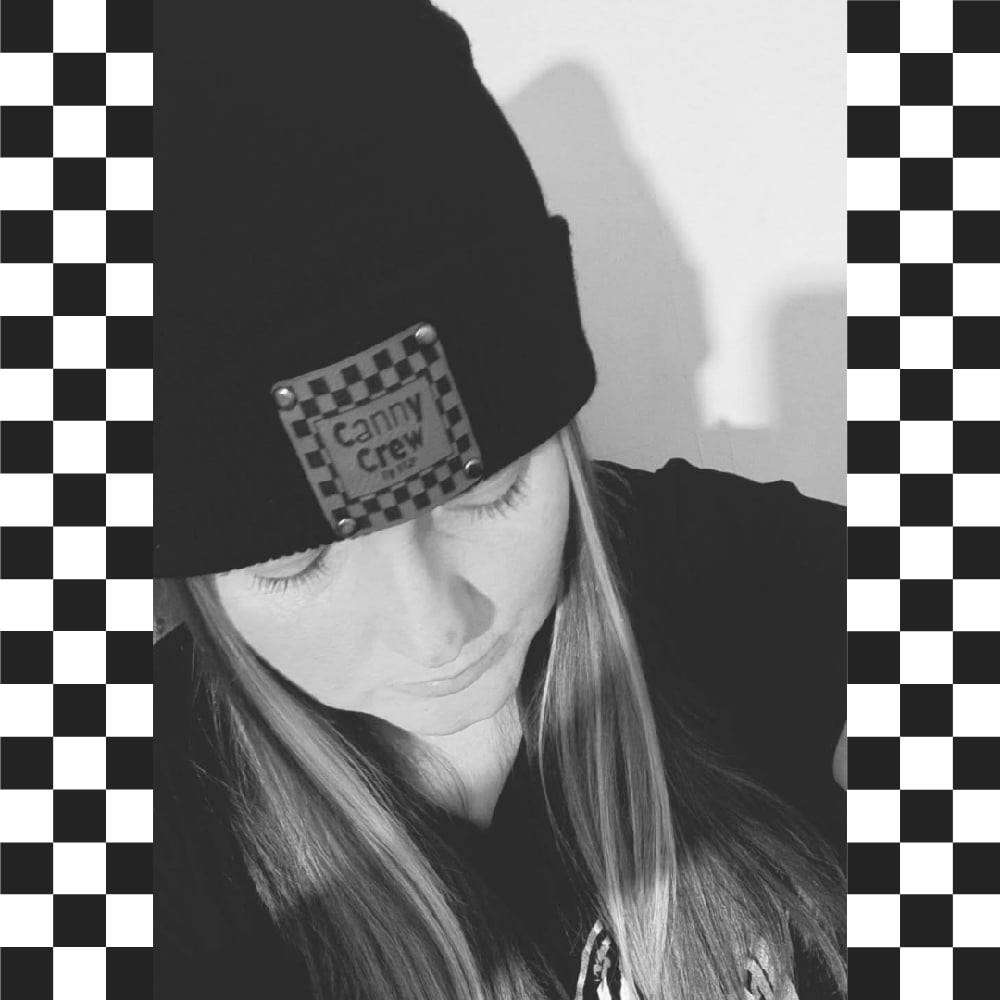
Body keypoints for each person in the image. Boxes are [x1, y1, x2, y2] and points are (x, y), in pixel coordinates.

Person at [153, 2, 846, 999]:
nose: (437, 632)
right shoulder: (139, 830)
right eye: (292, 562)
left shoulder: (724, 575)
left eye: (486, 491)